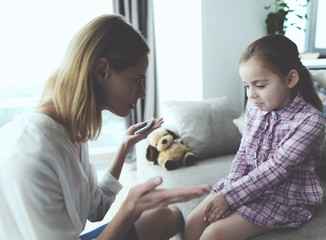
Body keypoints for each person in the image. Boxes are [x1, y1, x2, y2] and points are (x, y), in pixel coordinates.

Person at [0, 14, 211, 240]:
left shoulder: (74, 131)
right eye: (137, 80)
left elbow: (95, 210)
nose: (142, 93)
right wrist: (129, 209)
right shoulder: (32, 154)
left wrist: (123, 148)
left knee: (168, 216)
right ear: (102, 71)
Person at [184, 34, 326, 240]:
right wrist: (227, 190)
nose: (251, 94)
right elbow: (243, 155)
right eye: (246, 86)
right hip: (247, 185)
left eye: (259, 85)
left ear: (291, 79)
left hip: (285, 196)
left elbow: (277, 169)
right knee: (194, 221)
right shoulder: (254, 112)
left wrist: (230, 198)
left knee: (213, 234)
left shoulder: (310, 120)